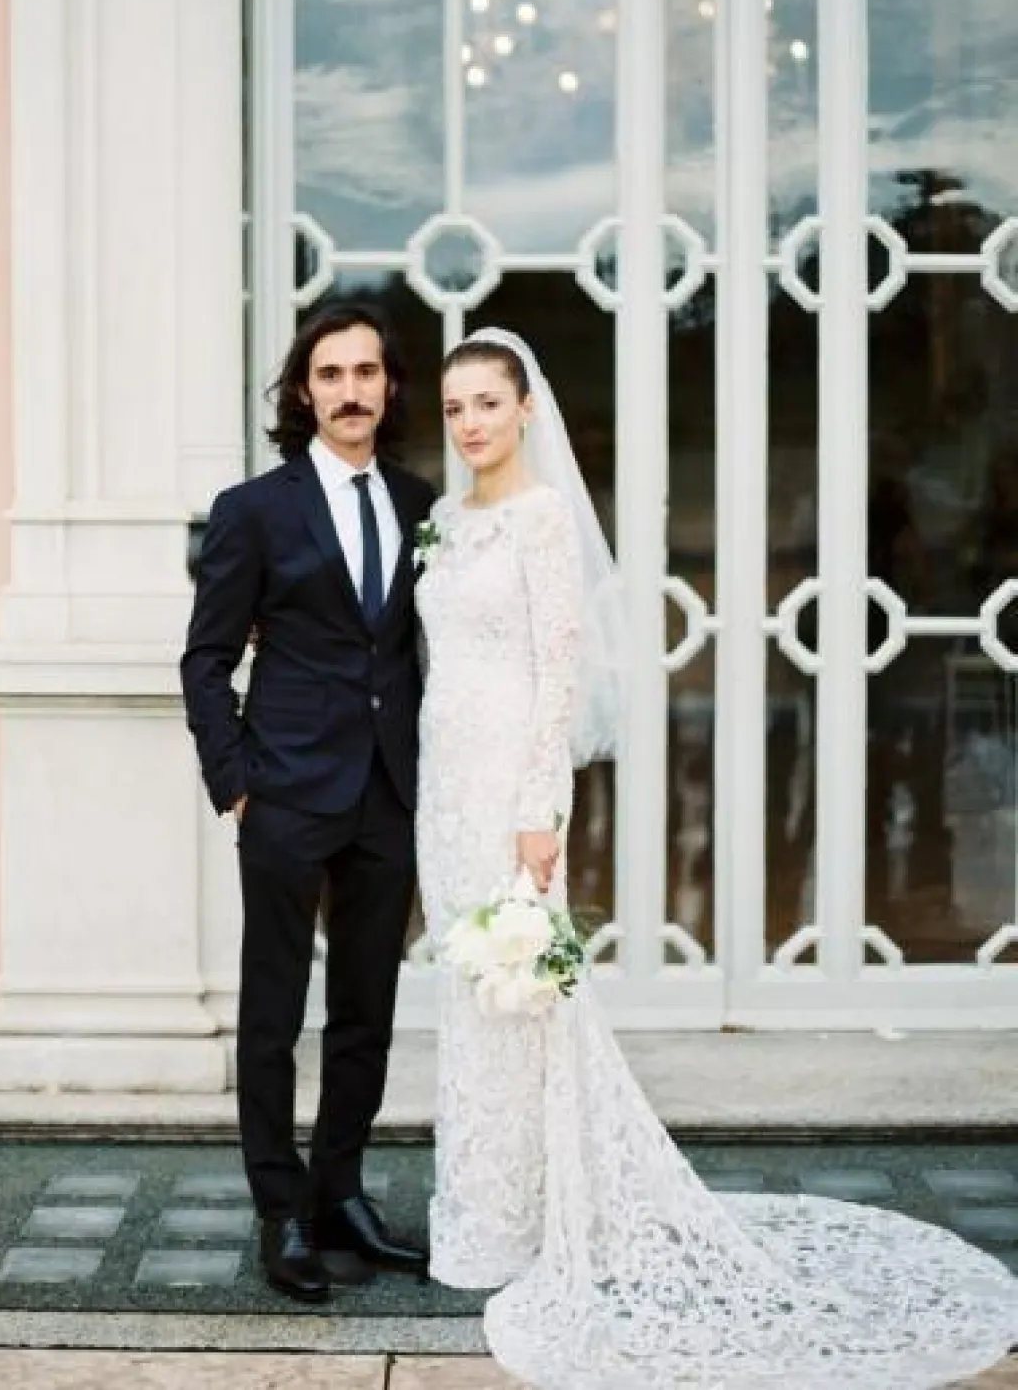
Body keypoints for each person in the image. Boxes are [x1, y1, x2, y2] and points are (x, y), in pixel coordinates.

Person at [416, 326, 1018, 1388]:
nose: (470, 423)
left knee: (529, 994)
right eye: (456, 406)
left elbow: (559, 673)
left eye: (487, 403)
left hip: (509, 779)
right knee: (470, 995)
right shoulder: (448, 519)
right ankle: (483, 1205)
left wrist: (538, 807)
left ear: (525, 408)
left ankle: (533, 1215)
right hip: (443, 780)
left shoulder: (541, 517)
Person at [181, 302, 434, 1303]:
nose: (351, 391)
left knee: (367, 1012)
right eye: (331, 374)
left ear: (389, 386)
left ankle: (340, 1194)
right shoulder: (253, 509)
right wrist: (235, 781)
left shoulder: (419, 502)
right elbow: (206, 659)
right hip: (284, 792)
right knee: (274, 1013)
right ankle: (279, 1211)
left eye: (367, 372)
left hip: (387, 795)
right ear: (303, 391)